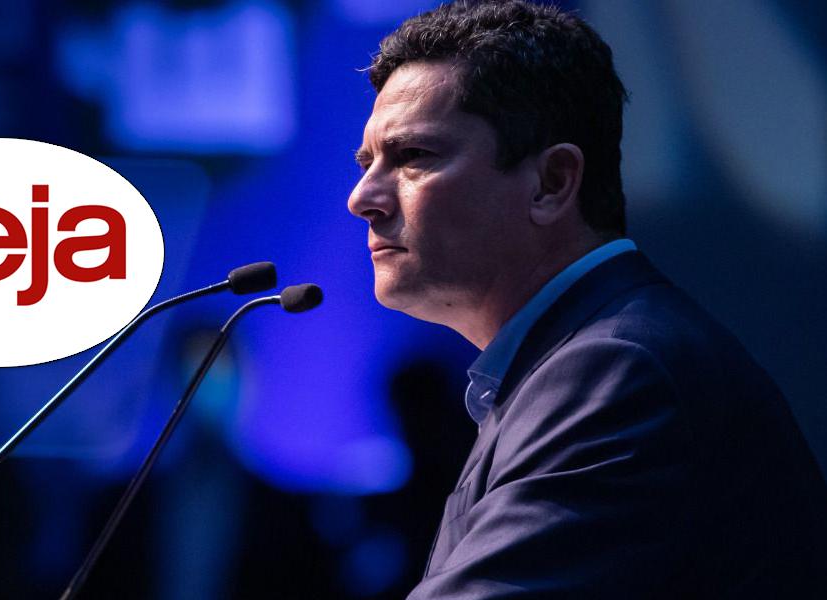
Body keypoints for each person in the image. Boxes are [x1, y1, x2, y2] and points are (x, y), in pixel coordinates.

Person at [346, 1, 827, 598]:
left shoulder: (615, 371)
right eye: (368, 162)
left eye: (413, 156)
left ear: (551, 183)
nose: (361, 197)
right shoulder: (578, 359)